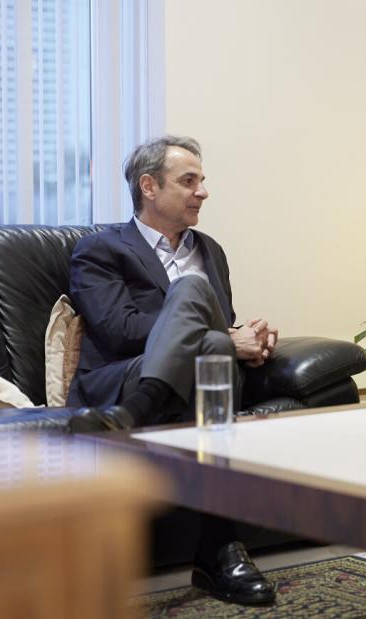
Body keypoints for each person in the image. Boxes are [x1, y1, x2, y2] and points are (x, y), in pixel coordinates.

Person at [65, 135, 278, 606]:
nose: (203, 192)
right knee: (193, 298)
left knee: (212, 346)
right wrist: (226, 337)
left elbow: (216, 329)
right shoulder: (99, 249)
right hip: (123, 372)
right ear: (149, 187)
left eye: (202, 181)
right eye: (189, 181)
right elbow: (119, 330)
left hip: (193, 374)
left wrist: (248, 338)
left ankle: (135, 415)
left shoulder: (211, 250)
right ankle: (220, 550)